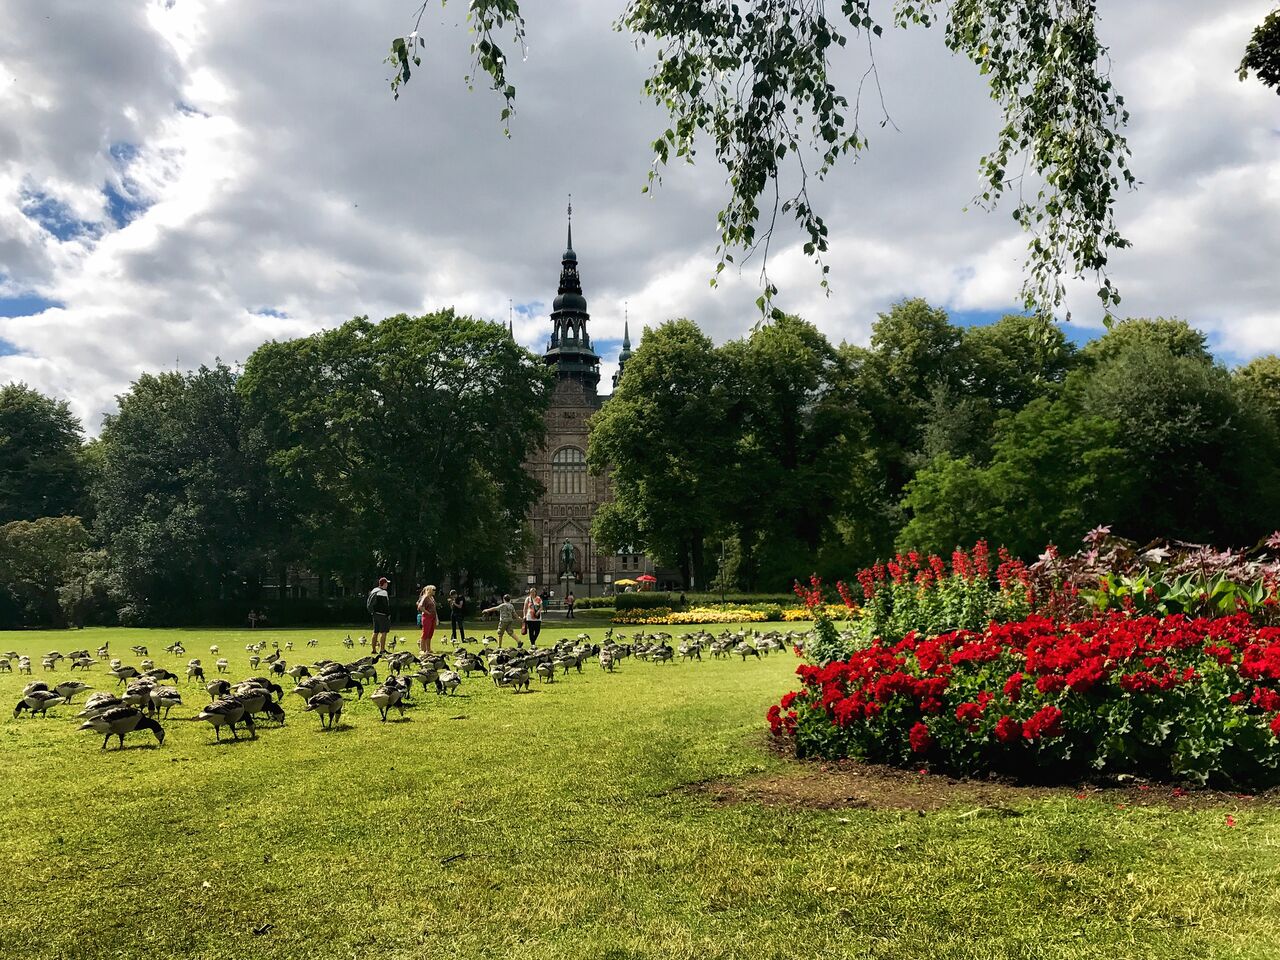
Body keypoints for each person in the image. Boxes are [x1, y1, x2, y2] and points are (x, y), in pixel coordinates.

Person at [366, 578, 391, 654]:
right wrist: (388, 614)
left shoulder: (374, 590)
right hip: (382, 615)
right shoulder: (383, 592)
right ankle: (382, 650)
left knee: (375, 631)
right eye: (386, 583)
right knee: (384, 632)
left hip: (375, 614)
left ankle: (374, 649)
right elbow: (385, 605)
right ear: (384, 584)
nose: (387, 585)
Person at [417, 585, 438, 655]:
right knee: (425, 633)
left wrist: (436, 618)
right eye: (433, 590)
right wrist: (427, 612)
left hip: (433, 617)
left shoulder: (432, 598)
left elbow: (434, 608)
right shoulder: (425, 597)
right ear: (430, 590)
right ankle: (422, 649)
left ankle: (428, 649)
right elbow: (420, 606)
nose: (435, 591)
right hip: (427, 617)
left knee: (430, 633)